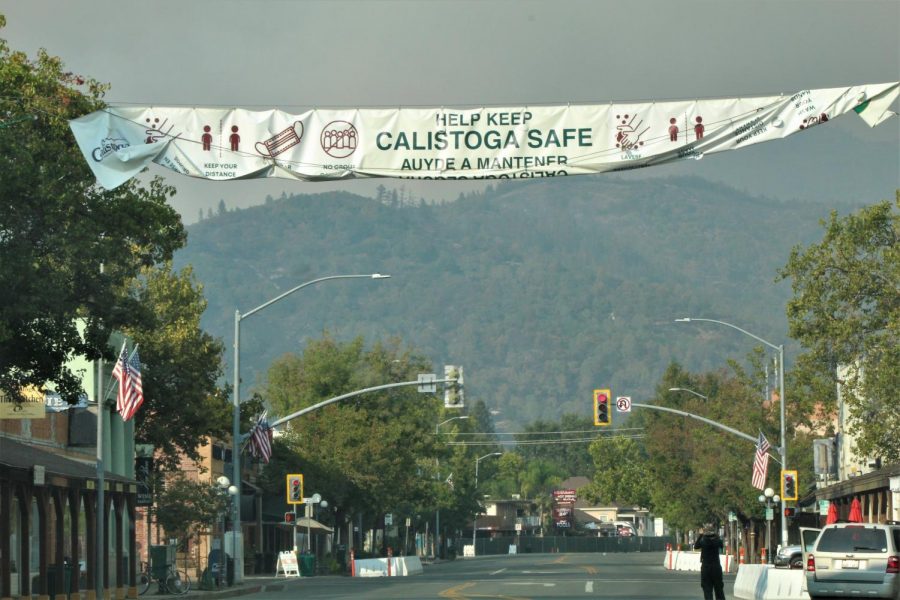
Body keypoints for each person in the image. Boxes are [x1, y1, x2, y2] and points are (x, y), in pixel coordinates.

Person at [694, 524, 726, 600]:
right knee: (719, 589)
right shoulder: (717, 541)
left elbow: (696, 546)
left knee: (707, 589)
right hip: (716, 567)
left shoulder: (703, 541)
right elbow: (722, 545)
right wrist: (716, 535)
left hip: (706, 567)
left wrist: (701, 535)